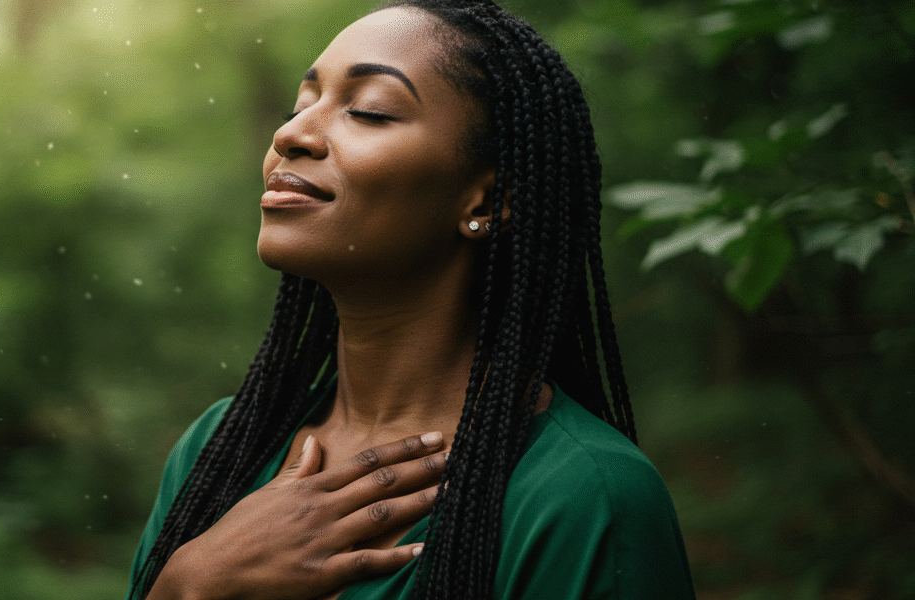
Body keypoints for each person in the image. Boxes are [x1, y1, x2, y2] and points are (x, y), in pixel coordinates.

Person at [126, 1, 696, 598]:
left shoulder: (583, 497)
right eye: (300, 106)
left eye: (368, 111)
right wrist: (187, 586)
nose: (291, 133)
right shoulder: (215, 451)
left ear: (487, 200)